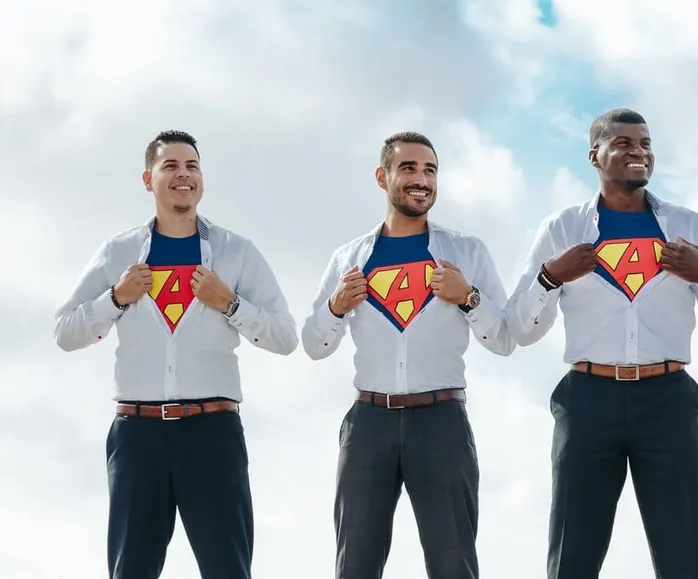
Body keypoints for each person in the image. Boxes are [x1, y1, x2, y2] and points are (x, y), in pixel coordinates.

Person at [504, 108, 698, 579]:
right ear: (595, 155)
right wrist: (550, 277)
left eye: (646, 144)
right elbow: (522, 328)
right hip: (587, 400)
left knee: (685, 556)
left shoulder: (687, 226)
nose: (639, 152)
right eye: (625, 143)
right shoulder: (562, 229)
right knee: (573, 554)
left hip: (668, 399)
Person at [53, 130, 299, 579]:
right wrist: (116, 297)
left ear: (201, 178)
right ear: (148, 179)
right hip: (136, 437)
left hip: (213, 434)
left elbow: (285, 337)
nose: (183, 175)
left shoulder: (236, 252)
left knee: (228, 570)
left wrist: (230, 303)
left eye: (192, 166)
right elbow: (65, 332)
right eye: (170, 166)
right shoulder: (118, 253)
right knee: (131, 572)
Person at [301, 131, 515, 579]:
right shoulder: (349, 258)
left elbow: (503, 340)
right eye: (409, 168)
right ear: (383, 177)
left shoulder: (465, 252)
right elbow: (315, 345)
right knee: (355, 564)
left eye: (430, 170)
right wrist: (337, 306)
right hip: (368, 425)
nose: (421, 179)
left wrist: (468, 297)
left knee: (452, 563)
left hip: (441, 423)